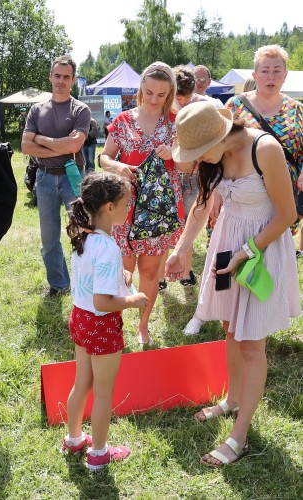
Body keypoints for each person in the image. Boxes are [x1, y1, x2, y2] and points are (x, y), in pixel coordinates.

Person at [166, 101, 300, 467]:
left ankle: (238, 437)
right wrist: (181, 249)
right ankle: (233, 399)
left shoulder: (266, 149)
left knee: (251, 343)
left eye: (199, 152)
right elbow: (203, 205)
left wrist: (247, 250)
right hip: (227, 247)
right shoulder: (216, 157)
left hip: (261, 249)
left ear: (221, 135)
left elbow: (288, 214)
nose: (198, 161)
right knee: (229, 329)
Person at [63, 172, 148, 471]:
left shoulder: (83, 236)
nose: (129, 208)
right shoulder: (110, 248)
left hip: (80, 318)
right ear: (109, 208)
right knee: (102, 392)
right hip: (101, 323)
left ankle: (74, 439)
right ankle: (99, 452)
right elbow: (103, 303)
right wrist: (133, 301)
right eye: (126, 203)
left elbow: (91, 282)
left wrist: (121, 277)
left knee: (81, 383)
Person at [100, 61, 184, 345]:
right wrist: (118, 167)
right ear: (141, 88)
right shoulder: (123, 120)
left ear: (170, 93)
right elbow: (104, 157)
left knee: (150, 271)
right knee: (122, 270)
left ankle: (143, 325)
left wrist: (173, 152)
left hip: (158, 208)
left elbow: (190, 163)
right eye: (148, 92)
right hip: (124, 206)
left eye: (161, 95)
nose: (153, 99)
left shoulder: (176, 121)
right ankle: (118, 322)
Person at [21, 55, 91, 298]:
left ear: (73, 80)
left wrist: (39, 138)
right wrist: (59, 145)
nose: (61, 81)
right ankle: (59, 285)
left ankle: (86, 283)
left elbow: (73, 146)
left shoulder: (80, 110)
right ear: (50, 77)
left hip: (73, 177)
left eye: (66, 77)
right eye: (57, 75)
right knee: (49, 238)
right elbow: (25, 147)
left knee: (83, 231)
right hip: (45, 177)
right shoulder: (37, 110)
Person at [225, 44, 303, 231]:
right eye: (265, 70)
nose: (271, 77)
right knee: (236, 253)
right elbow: (218, 149)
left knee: (275, 253)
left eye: (277, 71)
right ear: (254, 75)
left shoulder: (296, 110)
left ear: (285, 75)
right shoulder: (234, 107)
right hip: (241, 199)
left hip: (282, 200)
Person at [173, 65, 210, 287]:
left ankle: (186, 274)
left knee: (187, 227)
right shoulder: (164, 110)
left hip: (196, 175)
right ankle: (163, 277)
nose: (183, 102)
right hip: (174, 175)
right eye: (178, 97)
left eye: (186, 97)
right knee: (170, 226)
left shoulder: (203, 107)